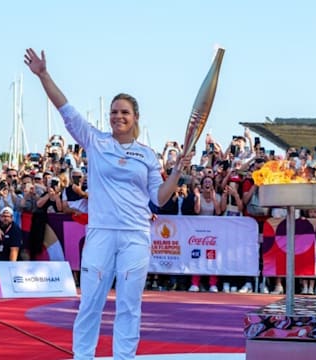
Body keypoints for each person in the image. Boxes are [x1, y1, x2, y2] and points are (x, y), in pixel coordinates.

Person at [24, 48, 191, 360]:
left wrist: (179, 171)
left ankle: (123, 357)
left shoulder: (147, 155)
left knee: (129, 305)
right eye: (114, 111)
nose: (118, 116)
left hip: (135, 236)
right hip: (101, 233)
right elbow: (65, 108)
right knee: (91, 302)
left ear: (136, 118)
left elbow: (159, 198)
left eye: (124, 112)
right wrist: (43, 74)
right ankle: (82, 356)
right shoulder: (95, 141)